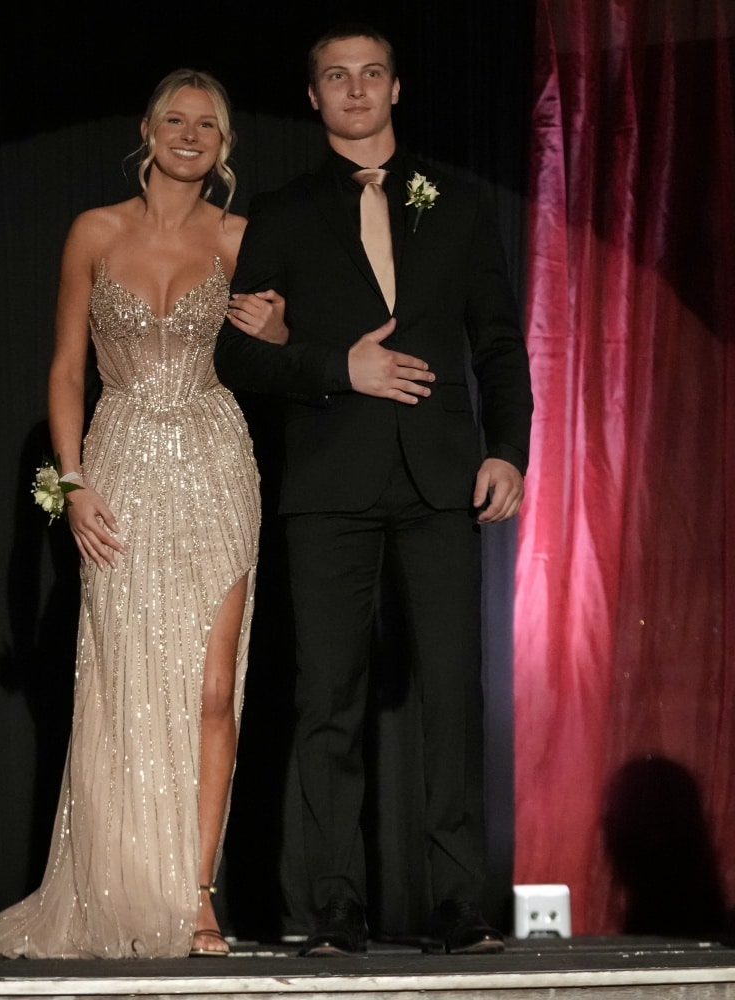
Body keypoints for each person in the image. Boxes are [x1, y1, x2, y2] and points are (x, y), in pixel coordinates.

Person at [215, 24, 533, 956]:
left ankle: (459, 903)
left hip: (442, 478)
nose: (355, 89)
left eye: (371, 74)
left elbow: (498, 342)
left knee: (453, 694)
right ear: (313, 97)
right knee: (328, 699)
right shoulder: (283, 211)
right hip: (329, 480)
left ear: (396, 88)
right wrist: (335, 367)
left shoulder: (458, 203)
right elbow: (237, 353)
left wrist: (508, 450)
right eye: (335, 76)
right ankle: (333, 907)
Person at [0, 68, 283, 960]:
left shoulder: (240, 237)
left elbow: (283, 348)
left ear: (224, 145)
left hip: (217, 461)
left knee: (214, 691)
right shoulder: (95, 231)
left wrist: (276, 331)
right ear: (146, 129)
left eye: (207, 125)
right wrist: (71, 484)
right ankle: (120, 887)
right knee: (124, 684)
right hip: (120, 462)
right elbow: (66, 367)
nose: (189, 135)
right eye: (175, 120)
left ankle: (197, 896)